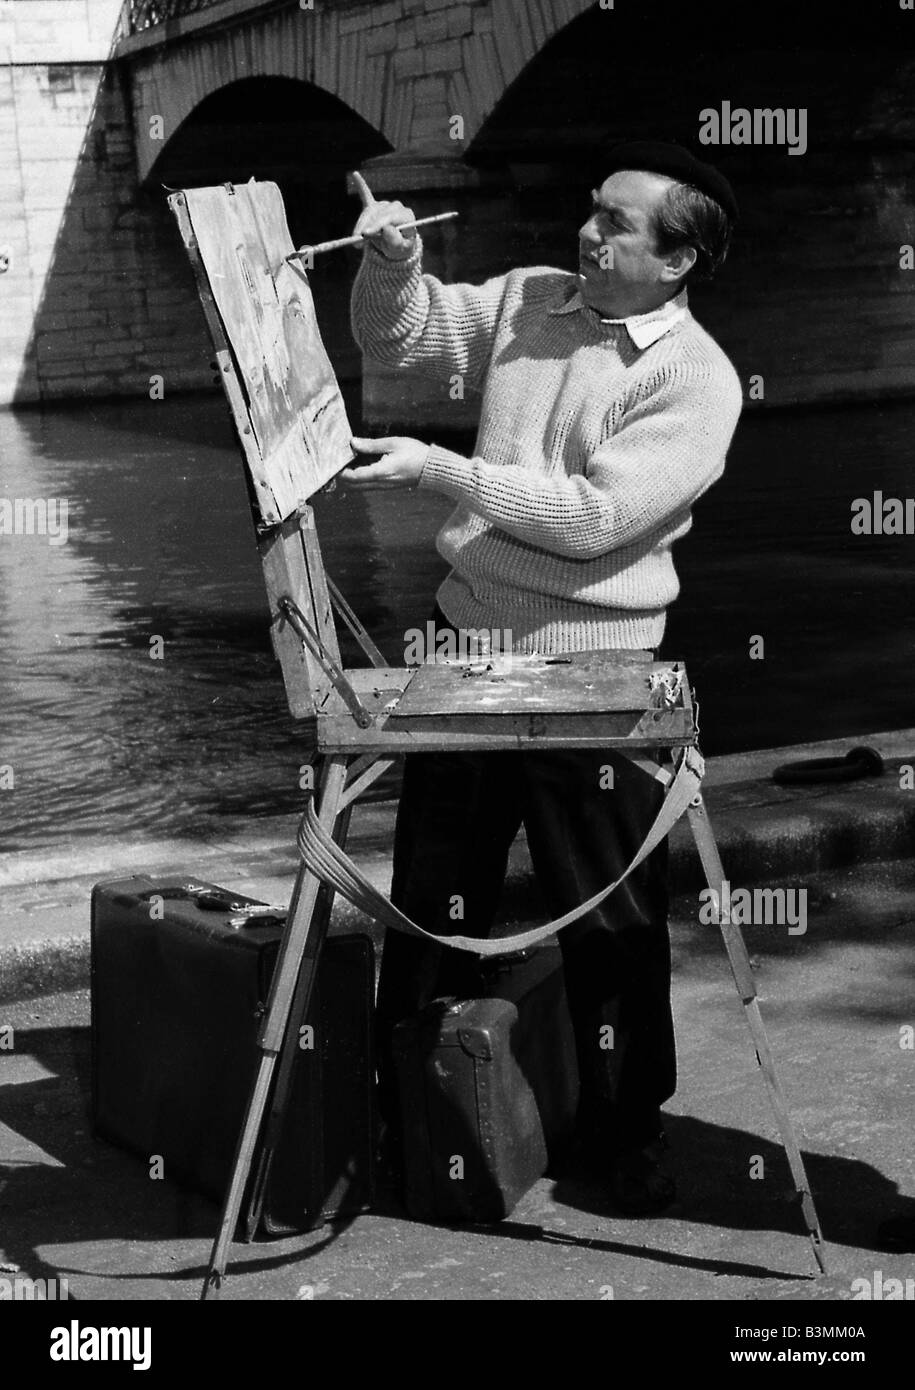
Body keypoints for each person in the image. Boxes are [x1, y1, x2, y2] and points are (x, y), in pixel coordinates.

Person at [343, 141, 743, 1213]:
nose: (588, 231)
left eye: (615, 222)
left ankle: (623, 1138)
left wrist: (439, 470)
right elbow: (406, 339)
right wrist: (391, 264)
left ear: (678, 258)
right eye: (590, 207)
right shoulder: (532, 298)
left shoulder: (697, 380)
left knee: (610, 919)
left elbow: (598, 522)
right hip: (465, 645)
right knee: (432, 898)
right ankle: (413, 1119)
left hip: (595, 674)